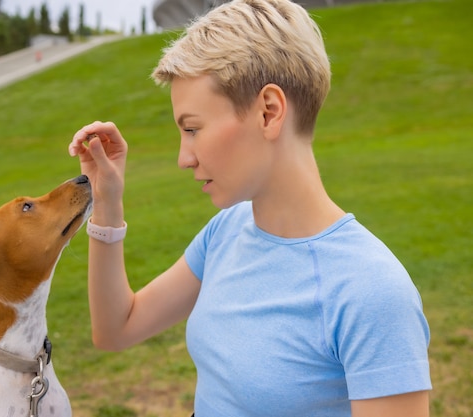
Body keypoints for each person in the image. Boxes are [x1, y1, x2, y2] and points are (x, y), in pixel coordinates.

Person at [67, 0, 432, 415]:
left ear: (268, 112)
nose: (184, 158)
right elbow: (116, 329)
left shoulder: (372, 293)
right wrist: (107, 202)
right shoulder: (226, 232)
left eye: (192, 129)